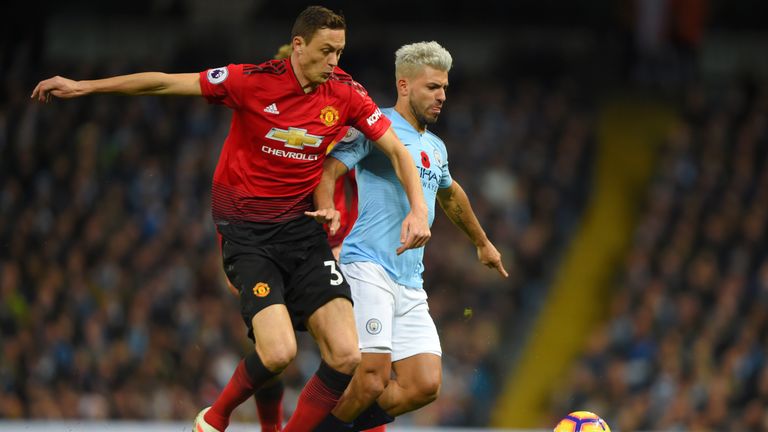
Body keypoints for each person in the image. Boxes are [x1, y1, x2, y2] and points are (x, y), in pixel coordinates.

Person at [31, 6, 431, 432]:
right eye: (326, 50)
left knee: (347, 355)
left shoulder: (346, 93)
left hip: (301, 231)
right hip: (247, 235)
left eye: (340, 51)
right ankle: (214, 418)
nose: (335, 61)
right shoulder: (251, 81)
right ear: (299, 46)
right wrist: (84, 86)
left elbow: (396, 150)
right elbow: (166, 82)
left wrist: (419, 210)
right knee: (277, 353)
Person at [311, 41, 508, 431]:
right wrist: (327, 205)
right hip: (368, 266)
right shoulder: (374, 125)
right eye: (432, 87)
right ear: (404, 85)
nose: (442, 97)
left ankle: (329, 422)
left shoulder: (435, 146)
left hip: (410, 280)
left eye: (445, 88)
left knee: (424, 384)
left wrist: (482, 243)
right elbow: (329, 169)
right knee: (371, 378)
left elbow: (452, 196)